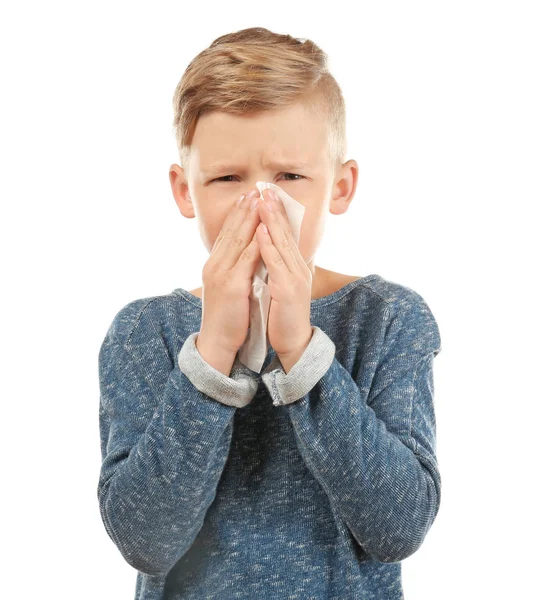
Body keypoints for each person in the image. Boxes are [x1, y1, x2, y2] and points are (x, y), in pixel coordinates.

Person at [97, 26, 443, 600]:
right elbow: (146, 541)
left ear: (340, 185)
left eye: (290, 177)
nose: (261, 207)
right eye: (228, 178)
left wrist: (303, 353)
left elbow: (399, 528)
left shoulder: (386, 319)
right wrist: (211, 356)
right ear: (186, 192)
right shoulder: (143, 332)